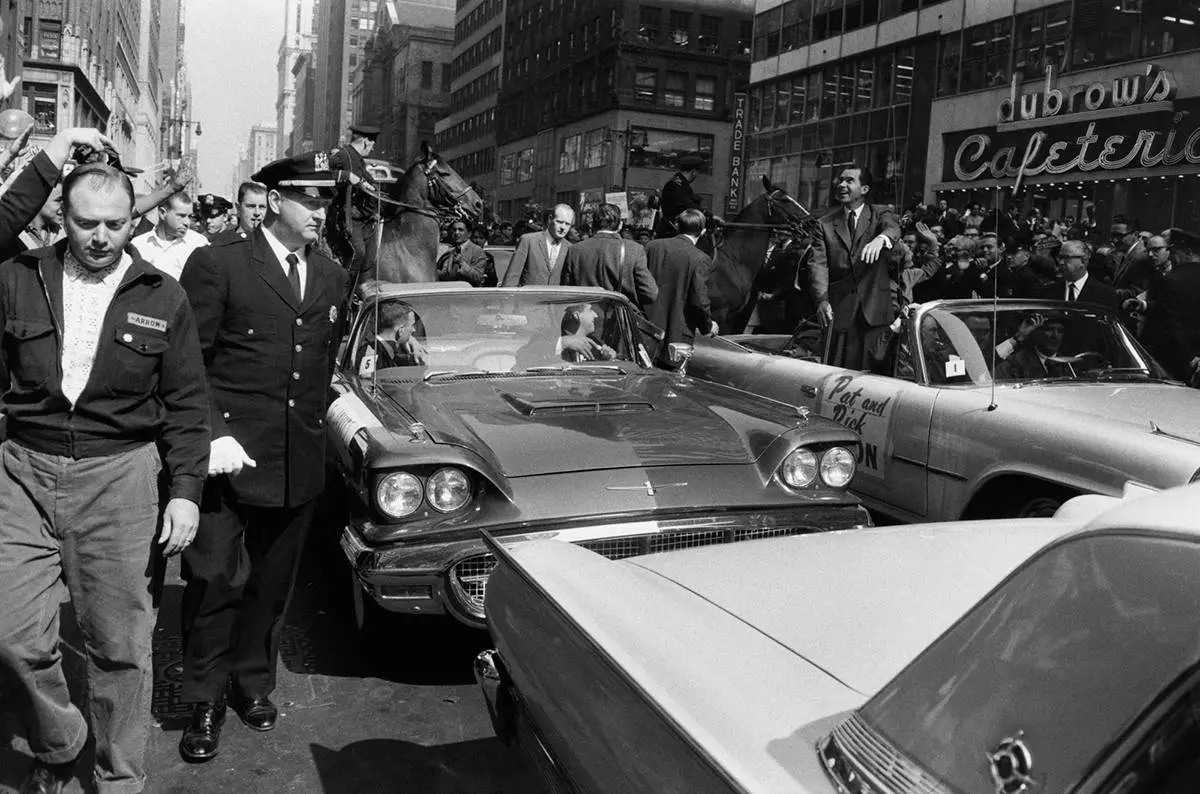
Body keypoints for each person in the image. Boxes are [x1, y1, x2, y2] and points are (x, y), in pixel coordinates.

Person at [0, 162, 209, 793]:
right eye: (85, 222)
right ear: (60, 217)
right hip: (21, 473)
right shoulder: (16, 278)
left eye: (114, 224)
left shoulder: (162, 295)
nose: (99, 236)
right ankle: (61, 740)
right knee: (11, 631)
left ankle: (119, 777)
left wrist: (186, 494)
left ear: (134, 220)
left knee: (120, 646)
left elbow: (188, 403)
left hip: (120, 478)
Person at [175, 152, 347, 762]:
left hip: (295, 460)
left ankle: (252, 683)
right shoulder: (219, 264)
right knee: (215, 580)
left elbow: (320, 368)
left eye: (326, 201)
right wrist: (211, 432)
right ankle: (201, 698)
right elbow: (188, 361)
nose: (320, 211)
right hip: (227, 458)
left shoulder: (330, 276)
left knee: (272, 586)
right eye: (309, 199)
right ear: (274, 201)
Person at [809, 164, 900, 369]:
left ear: (864, 189)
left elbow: (893, 228)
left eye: (850, 181)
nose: (842, 184)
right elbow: (818, 265)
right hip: (839, 312)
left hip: (875, 313)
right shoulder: (824, 224)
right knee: (836, 373)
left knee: (876, 379)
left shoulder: (880, 214)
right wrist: (822, 300)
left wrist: (881, 239)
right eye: (840, 180)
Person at [644, 208, 716, 361]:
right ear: (702, 232)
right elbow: (699, 299)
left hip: (646, 329)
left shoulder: (652, 247)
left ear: (677, 226)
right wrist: (708, 326)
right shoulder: (700, 258)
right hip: (677, 339)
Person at [561, 203, 658, 311]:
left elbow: (566, 292)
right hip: (621, 320)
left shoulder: (575, 250)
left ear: (593, 224)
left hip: (586, 318)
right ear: (620, 225)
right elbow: (650, 294)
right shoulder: (634, 249)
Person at [328, 122, 380, 279]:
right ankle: (343, 296)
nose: (373, 149)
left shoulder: (359, 160)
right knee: (358, 252)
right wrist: (346, 176)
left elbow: (370, 184)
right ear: (365, 142)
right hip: (343, 218)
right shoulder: (342, 156)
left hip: (359, 215)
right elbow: (322, 172)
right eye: (372, 145)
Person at [1151, 228, 1200, 382]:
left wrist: (1190, 357)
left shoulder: (1171, 280)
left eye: (1176, 252)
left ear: (1188, 252)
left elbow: (1171, 324)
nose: (1172, 257)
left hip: (1176, 361)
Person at [130, 192, 209, 280]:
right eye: (181, 216)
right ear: (162, 213)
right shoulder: (139, 244)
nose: (187, 222)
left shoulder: (199, 243)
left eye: (189, 216)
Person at [501, 203, 575, 286]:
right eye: (559, 222)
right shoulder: (528, 241)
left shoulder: (570, 248)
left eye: (567, 224)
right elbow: (512, 277)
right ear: (550, 219)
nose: (563, 227)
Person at [354, 300, 428, 376]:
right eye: (412, 325)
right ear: (401, 330)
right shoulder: (371, 354)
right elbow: (367, 382)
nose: (413, 330)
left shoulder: (384, 349)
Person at [1043, 239, 1118, 312]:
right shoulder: (1048, 292)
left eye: (1066, 258)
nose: (1061, 262)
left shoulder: (1105, 294)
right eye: (1060, 258)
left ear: (1083, 261)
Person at [995, 317, 1073, 379]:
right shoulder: (1015, 363)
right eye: (1048, 330)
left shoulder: (1071, 365)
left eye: (1060, 331)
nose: (1055, 336)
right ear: (1035, 333)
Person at [654, 154, 705, 239]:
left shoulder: (681, 184)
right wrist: (705, 213)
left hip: (674, 232)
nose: (696, 176)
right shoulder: (676, 184)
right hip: (670, 232)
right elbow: (686, 204)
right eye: (696, 173)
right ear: (693, 172)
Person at [438, 219, 497, 286]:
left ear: (469, 234)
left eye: (460, 230)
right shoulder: (451, 251)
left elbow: (478, 277)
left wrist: (461, 264)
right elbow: (446, 276)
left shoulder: (477, 250)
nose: (456, 233)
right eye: (454, 230)